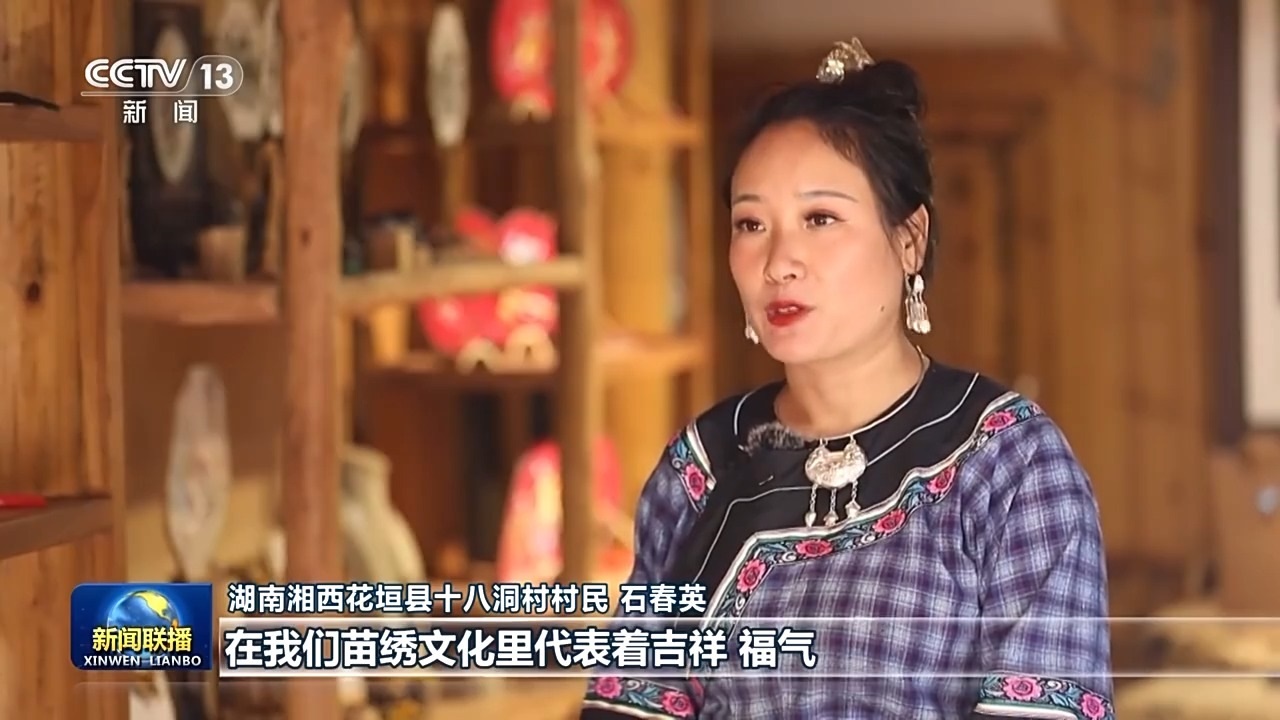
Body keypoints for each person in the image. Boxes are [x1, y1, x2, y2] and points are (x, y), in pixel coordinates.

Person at [579, 38, 1113, 720]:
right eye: (751, 223)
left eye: (820, 219)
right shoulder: (702, 470)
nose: (780, 261)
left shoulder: (1010, 463)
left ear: (909, 239)